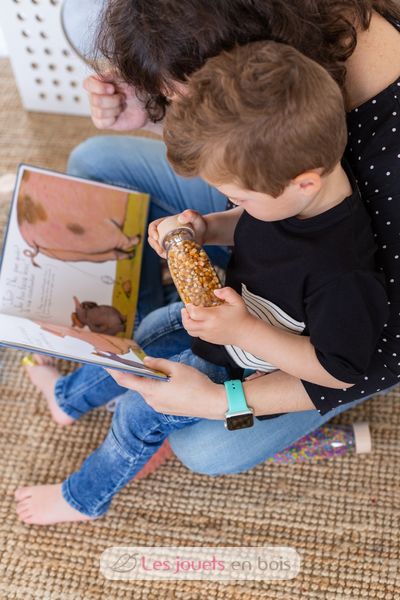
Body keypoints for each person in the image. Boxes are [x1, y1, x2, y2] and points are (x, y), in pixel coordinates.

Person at [15, 41, 388, 524]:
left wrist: (244, 333)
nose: (239, 204)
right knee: (143, 336)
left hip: (246, 368)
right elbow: (257, 223)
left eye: (240, 197)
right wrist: (211, 226)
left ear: (304, 182)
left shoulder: (344, 275)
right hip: (226, 322)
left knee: (137, 417)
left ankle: (82, 498)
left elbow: (337, 373)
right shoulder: (289, 196)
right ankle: (68, 401)